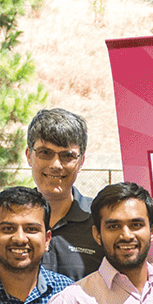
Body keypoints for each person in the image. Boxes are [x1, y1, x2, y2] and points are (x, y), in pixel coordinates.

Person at [27, 107, 103, 280]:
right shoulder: (12, 218)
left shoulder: (101, 220)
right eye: (45, 153)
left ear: (81, 161)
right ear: (28, 155)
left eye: (67, 156)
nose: (56, 164)